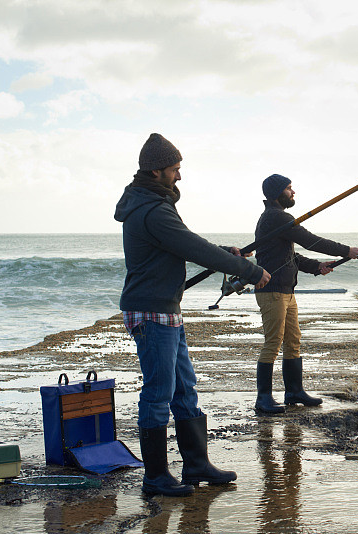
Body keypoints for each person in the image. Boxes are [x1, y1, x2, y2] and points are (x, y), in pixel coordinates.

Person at [114, 133, 271, 496]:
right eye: (175, 169)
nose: (179, 176)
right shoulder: (152, 208)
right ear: (156, 171)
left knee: (185, 388)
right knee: (158, 393)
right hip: (152, 312)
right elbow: (189, 246)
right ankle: (155, 477)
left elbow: (180, 241)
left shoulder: (151, 202)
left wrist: (223, 250)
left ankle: (196, 465)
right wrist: (248, 270)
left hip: (164, 308)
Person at [253, 174, 358, 414]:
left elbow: (290, 257)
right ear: (277, 193)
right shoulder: (276, 217)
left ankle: (294, 391)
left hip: (285, 291)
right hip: (272, 291)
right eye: (289, 189)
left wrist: (316, 267)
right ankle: (263, 398)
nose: (293, 193)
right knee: (273, 343)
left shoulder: (274, 218)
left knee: (293, 341)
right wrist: (348, 250)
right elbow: (310, 241)